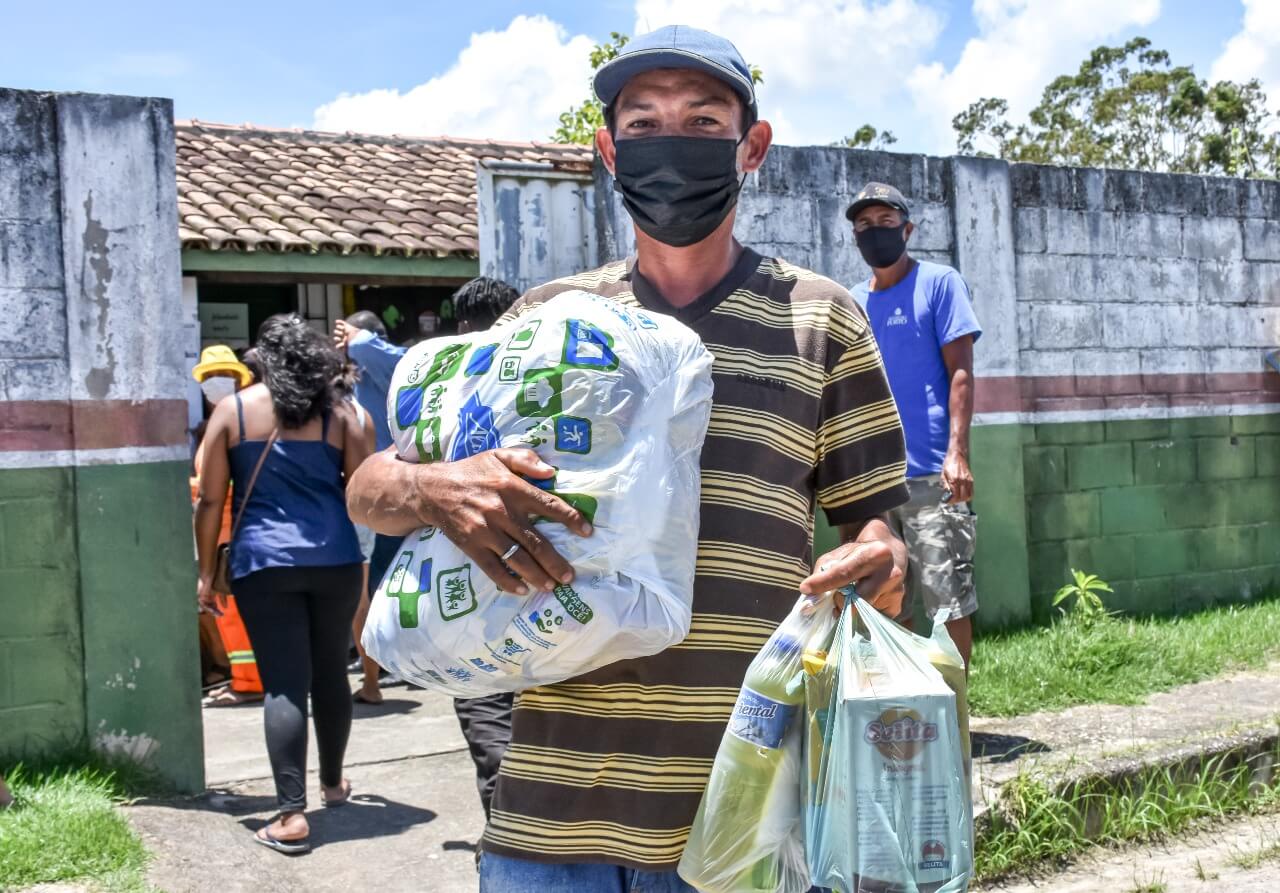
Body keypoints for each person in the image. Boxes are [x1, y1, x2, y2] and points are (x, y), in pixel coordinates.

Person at [347, 25, 910, 891]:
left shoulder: (821, 318)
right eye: (642, 124)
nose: (669, 144)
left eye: (702, 120)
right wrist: (433, 484)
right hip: (547, 817)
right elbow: (370, 490)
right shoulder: (549, 323)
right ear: (609, 150)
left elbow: (873, 516)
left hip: (739, 814)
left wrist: (884, 557)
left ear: (750, 146)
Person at [195, 314, 372, 855]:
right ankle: (334, 785)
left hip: (263, 564)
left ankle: (292, 815)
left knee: (284, 684)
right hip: (336, 559)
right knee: (330, 675)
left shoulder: (232, 412)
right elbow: (364, 494)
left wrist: (205, 572)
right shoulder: (345, 414)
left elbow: (209, 500)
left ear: (263, 361)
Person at [847, 182, 982, 668]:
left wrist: (957, 452)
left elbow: (960, 372)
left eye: (886, 223)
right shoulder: (852, 302)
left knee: (947, 598)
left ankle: (956, 713)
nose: (875, 233)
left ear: (907, 229)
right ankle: (908, 708)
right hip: (875, 483)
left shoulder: (939, 283)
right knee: (886, 600)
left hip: (930, 474)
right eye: (864, 225)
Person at [190, 345, 264, 707]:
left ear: (241, 380)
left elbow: (218, 489)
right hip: (224, 537)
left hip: (231, 538)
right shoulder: (223, 422)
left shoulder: (232, 423)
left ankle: (249, 683)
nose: (215, 383)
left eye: (224, 376)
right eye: (209, 378)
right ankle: (243, 678)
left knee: (234, 616)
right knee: (229, 616)